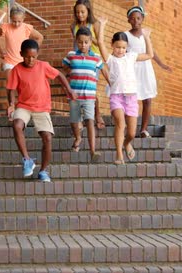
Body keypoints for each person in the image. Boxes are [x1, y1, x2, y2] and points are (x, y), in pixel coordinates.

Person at [7, 39, 77, 182]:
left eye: (33, 56)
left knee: (48, 138)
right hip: (24, 106)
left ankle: (43, 171)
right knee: (17, 125)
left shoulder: (44, 66)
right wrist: (11, 104)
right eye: (27, 56)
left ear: (37, 54)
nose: (30, 59)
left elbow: (59, 75)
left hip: (42, 108)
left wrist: (68, 90)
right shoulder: (17, 70)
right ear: (21, 54)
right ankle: (27, 160)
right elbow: (11, 89)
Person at [99, 32, 154, 164]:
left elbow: (150, 55)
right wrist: (102, 27)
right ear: (112, 45)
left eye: (123, 47)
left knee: (131, 133)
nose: (121, 50)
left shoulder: (131, 57)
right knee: (120, 124)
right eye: (118, 47)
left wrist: (146, 37)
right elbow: (100, 43)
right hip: (116, 97)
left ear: (127, 47)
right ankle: (119, 155)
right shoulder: (110, 59)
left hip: (131, 99)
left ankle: (126, 143)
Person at [62, 27, 108, 162]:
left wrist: (112, 82)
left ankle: (93, 151)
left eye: (86, 42)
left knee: (90, 121)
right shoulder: (71, 55)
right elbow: (64, 67)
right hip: (74, 96)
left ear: (90, 43)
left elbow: (104, 71)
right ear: (76, 41)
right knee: (75, 121)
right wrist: (68, 76)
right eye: (81, 42)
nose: (83, 45)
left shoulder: (96, 58)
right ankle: (78, 138)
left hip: (89, 96)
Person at [125, 6, 172, 138]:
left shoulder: (145, 34)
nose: (136, 21)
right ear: (128, 20)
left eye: (138, 18)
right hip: (133, 69)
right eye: (133, 19)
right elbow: (122, 51)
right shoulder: (126, 35)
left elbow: (151, 51)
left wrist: (161, 64)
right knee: (130, 99)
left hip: (145, 69)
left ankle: (144, 129)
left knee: (147, 99)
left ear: (142, 19)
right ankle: (130, 127)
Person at [71, 0, 106, 129]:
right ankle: (79, 118)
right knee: (78, 90)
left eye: (82, 12)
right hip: (79, 61)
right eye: (77, 12)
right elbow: (74, 43)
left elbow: (100, 42)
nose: (80, 14)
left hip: (93, 60)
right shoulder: (73, 26)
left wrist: (88, 39)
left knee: (91, 90)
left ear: (88, 11)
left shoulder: (94, 24)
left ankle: (97, 115)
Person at [0, 5, 44, 74]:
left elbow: (40, 37)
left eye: (19, 21)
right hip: (9, 62)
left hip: (23, 61)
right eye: (14, 21)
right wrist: (1, 52)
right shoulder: (5, 27)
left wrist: (33, 52)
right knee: (10, 78)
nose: (16, 24)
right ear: (10, 18)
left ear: (23, 18)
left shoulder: (26, 28)